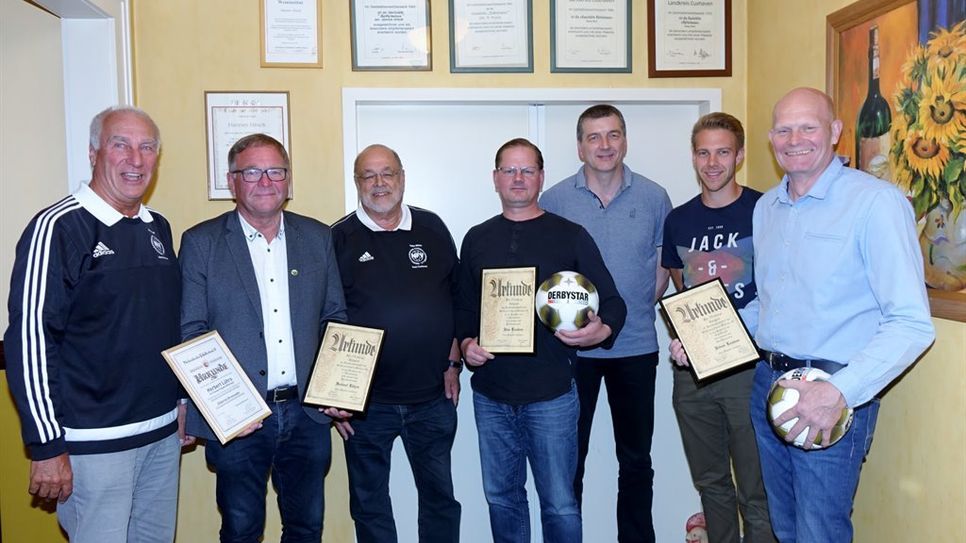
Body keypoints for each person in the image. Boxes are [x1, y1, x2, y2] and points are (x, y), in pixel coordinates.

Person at [672, 88, 935, 541]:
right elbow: (766, 305)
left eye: (808, 127)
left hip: (830, 395)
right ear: (771, 139)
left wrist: (840, 392)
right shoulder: (768, 208)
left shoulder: (875, 203)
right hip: (765, 387)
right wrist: (705, 342)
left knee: (818, 531)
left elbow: (912, 324)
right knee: (784, 527)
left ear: (834, 131)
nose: (795, 139)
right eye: (783, 129)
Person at [4, 105, 184, 542]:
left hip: (160, 435)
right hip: (93, 444)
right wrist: (47, 446)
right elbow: (29, 341)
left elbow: (167, 324)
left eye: (146, 148)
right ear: (93, 153)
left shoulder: (157, 227)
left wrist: (182, 401)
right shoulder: (58, 228)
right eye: (120, 145)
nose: (135, 159)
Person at [179, 133, 348, 542]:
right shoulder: (201, 242)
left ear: (288, 181)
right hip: (238, 419)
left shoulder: (318, 237)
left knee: (306, 527)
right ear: (231, 181)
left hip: (307, 414)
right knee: (241, 529)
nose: (265, 181)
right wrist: (226, 408)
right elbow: (192, 331)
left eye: (275, 171)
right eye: (252, 171)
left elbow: (334, 317)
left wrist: (338, 386)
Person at [457, 138, 627, 543]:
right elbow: (463, 310)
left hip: (552, 396)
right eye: (509, 171)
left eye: (527, 170)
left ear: (541, 177)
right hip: (491, 396)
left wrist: (600, 332)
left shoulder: (570, 235)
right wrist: (466, 346)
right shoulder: (476, 239)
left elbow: (614, 302)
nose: (518, 179)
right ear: (495, 179)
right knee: (502, 499)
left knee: (560, 503)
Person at [539, 104, 672, 542]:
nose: (604, 145)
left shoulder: (654, 196)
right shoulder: (554, 200)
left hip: (635, 349)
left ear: (625, 141)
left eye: (613, 135)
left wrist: (629, 309)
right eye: (594, 137)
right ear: (579, 146)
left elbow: (661, 267)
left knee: (636, 460)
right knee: (569, 458)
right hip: (572, 353)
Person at [330, 144, 462, 542]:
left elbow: (456, 300)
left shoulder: (432, 227)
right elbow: (325, 320)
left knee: (440, 498)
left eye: (387, 173)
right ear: (357, 183)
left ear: (402, 177)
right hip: (367, 405)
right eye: (368, 175)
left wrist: (453, 365)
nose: (379, 183)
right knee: (370, 504)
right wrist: (337, 398)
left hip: (432, 398)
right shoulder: (338, 238)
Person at [661, 112, 774, 543]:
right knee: (711, 483)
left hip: (749, 369)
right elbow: (681, 286)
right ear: (693, 157)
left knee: (755, 490)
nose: (712, 162)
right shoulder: (678, 220)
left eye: (722, 151)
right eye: (703, 152)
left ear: (740, 155)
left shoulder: (765, 210)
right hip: (694, 373)